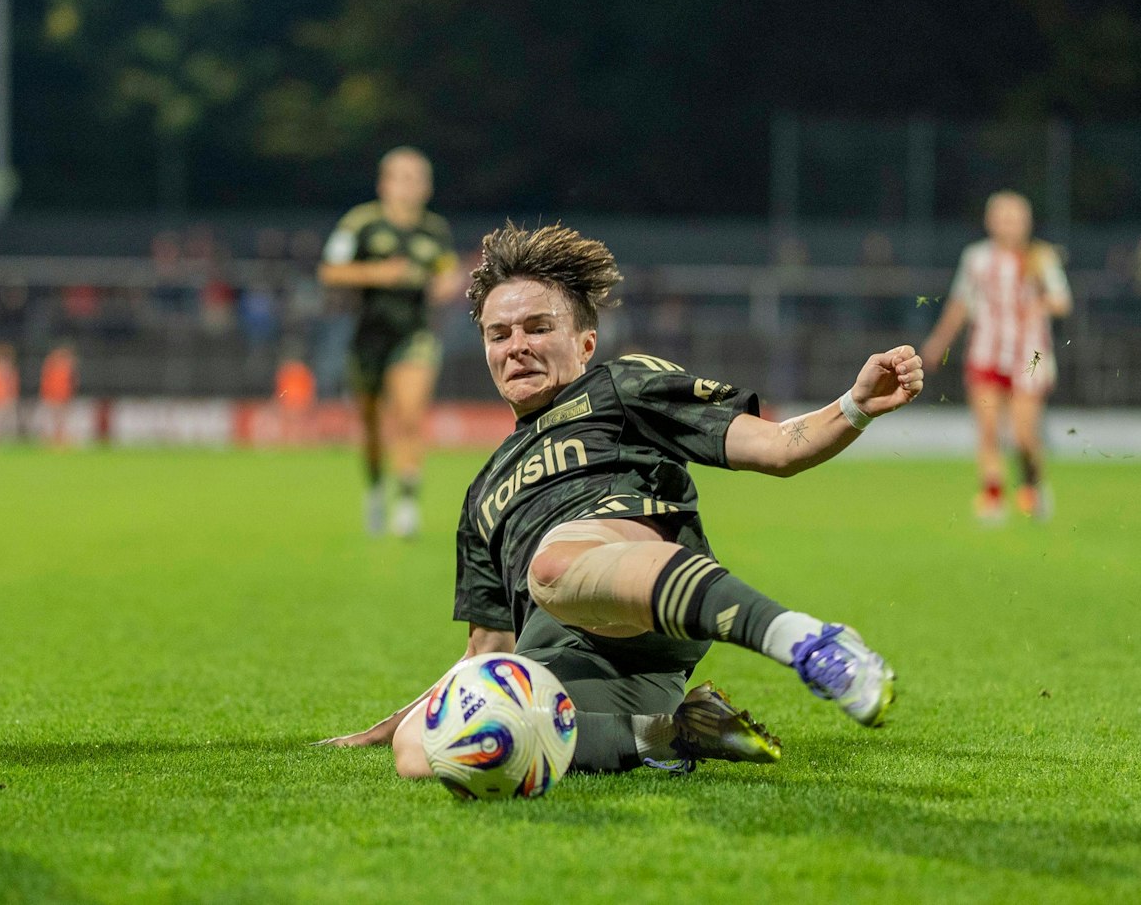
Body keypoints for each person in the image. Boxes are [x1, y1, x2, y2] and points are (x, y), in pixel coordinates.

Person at [321, 223, 918, 777]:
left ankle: (811, 642)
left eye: (537, 327)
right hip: (585, 670)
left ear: (585, 341)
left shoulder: (619, 386)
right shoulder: (482, 490)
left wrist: (855, 405)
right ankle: (669, 734)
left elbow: (779, 448)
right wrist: (398, 723)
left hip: (639, 596)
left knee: (554, 561)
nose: (516, 347)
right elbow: (487, 651)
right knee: (421, 751)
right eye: (498, 334)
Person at [318, 147, 460, 537]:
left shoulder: (435, 230)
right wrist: (380, 273)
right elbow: (330, 271)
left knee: (410, 415)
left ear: (427, 187)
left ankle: (408, 504)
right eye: (402, 177)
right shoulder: (361, 223)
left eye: (417, 178)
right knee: (372, 428)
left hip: (415, 334)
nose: (409, 186)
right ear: (384, 183)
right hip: (367, 337)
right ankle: (376, 488)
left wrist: (449, 283)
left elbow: (448, 272)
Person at [921, 191, 1071, 524]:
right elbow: (960, 304)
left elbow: (1063, 301)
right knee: (987, 430)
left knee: (1023, 436)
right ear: (990, 221)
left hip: (1028, 358)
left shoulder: (1040, 257)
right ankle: (992, 498)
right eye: (1003, 217)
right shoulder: (975, 258)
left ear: (1027, 222)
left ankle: (1032, 483)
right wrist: (937, 342)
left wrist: (1039, 304)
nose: (1009, 224)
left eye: (1015, 218)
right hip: (985, 353)